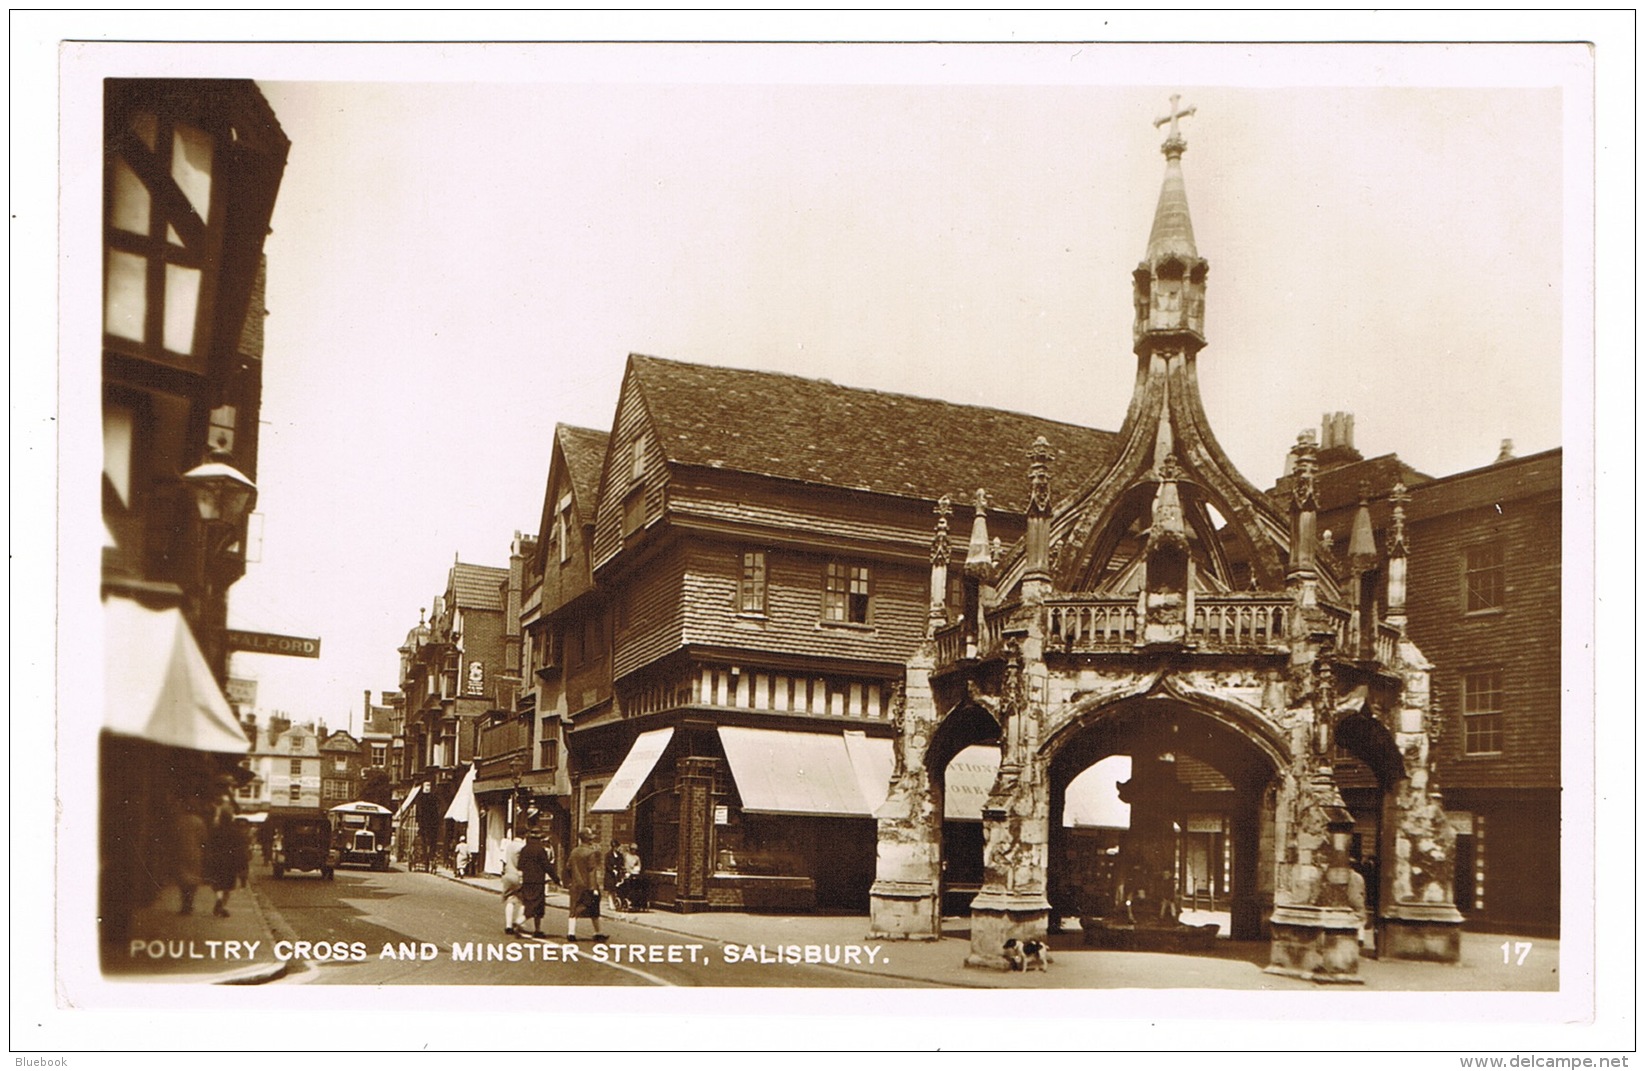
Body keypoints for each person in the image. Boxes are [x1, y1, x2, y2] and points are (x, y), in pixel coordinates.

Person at [203, 797, 247, 918]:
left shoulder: (214, 830)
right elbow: (240, 850)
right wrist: (242, 867)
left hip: (217, 861)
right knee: (227, 886)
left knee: (217, 885)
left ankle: (218, 899)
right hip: (230, 863)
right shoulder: (235, 832)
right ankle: (222, 905)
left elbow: (208, 845)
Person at [566, 828, 607, 943]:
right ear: (587, 840)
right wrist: (593, 888)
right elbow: (591, 871)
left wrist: (572, 879)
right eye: (590, 839)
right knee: (594, 908)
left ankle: (571, 933)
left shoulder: (574, 852)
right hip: (587, 886)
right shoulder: (590, 853)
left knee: (574, 909)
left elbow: (568, 867)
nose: (591, 841)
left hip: (575, 885)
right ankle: (598, 932)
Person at [171, 800, 208, 916]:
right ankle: (190, 902)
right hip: (195, 853)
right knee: (193, 879)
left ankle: (184, 904)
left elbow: (174, 837)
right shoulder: (199, 822)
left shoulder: (179, 821)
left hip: (181, 852)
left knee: (182, 879)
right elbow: (204, 838)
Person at [517, 825, 552, 938]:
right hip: (538, 881)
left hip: (527, 881)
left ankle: (538, 930)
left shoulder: (524, 849)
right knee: (536, 905)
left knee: (530, 903)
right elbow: (547, 866)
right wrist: (556, 879)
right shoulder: (540, 850)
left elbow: (520, 865)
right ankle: (519, 921)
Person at [499, 830, 525, 936]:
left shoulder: (509, 846)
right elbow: (522, 863)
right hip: (518, 875)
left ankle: (508, 926)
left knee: (510, 900)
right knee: (524, 901)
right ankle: (518, 922)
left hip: (508, 874)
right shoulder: (522, 847)